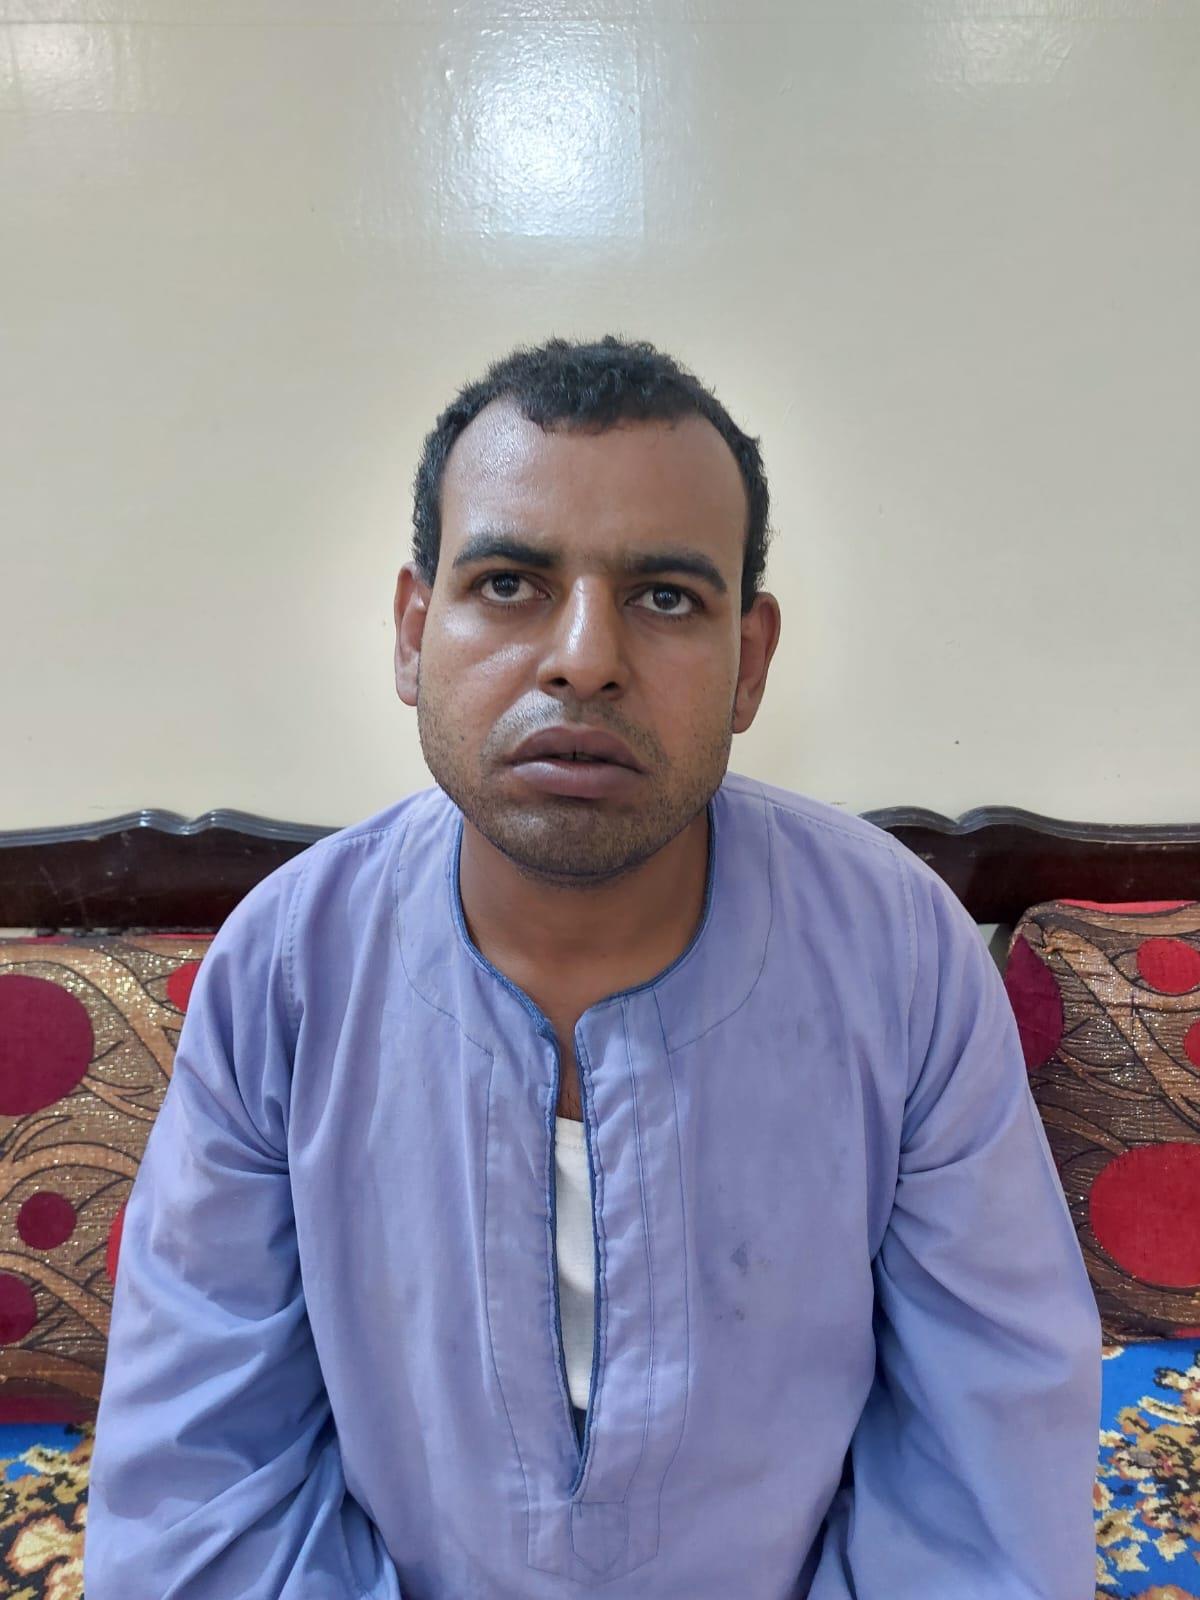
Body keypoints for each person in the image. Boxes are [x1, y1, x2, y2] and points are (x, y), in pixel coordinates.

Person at [84, 334, 1102, 1598]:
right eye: (510, 582)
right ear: (413, 633)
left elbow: (988, 1477)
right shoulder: (286, 971)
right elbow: (200, 1487)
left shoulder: (901, 957)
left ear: (751, 661)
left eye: (665, 596)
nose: (583, 656)